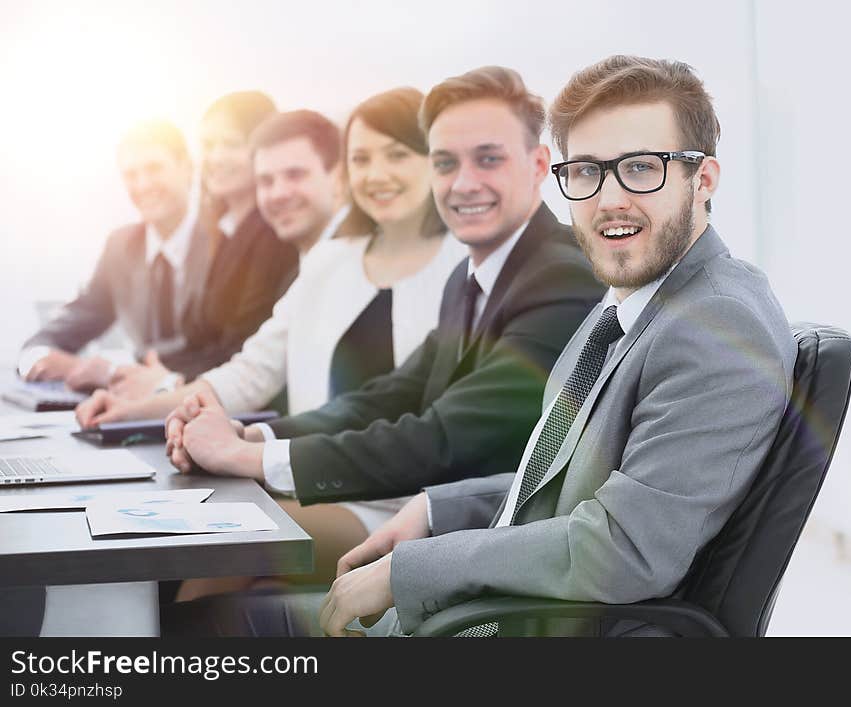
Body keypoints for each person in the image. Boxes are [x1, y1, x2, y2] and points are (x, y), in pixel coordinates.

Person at [167, 56, 797, 638]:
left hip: (529, 626)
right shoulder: (634, 301)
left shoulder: (717, 324)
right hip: (501, 596)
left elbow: (625, 550)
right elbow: (554, 481)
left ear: (703, 177)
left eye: (640, 167)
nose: (609, 198)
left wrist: (410, 569)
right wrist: (439, 507)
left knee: (216, 625)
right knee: (216, 605)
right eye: (586, 171)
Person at [158, 66, 604, 613]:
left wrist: (254, 460)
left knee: (214, 566)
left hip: (474, 546)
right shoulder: (476, 276)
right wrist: (255, 439)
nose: (462, 182)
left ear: (539, 166)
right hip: (420, 516)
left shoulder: (560, 277)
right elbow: (390, 395)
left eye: (488, 159)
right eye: (446, 163)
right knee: (203, 568)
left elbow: (446, 437)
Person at [74, 109, 348, 423]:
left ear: (338, 178)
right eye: (267, 181)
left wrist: (163, 387)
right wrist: (132, 411)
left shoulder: (347, 259)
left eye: (295, 175)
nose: (278, 193)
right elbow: (252, 373)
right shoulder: (310, 264)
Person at [109, 91, 300, 399]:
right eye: (209, 146)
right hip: (205, 389)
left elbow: (240, 346)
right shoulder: (225, 231)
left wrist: (171, 379)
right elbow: (202, 340)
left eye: (231, 144)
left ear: (264, 150)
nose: (216, 157)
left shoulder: (274, 236)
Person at [18, 120, 213, 390]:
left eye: (154, 169)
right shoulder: (121, 247)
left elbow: (217, 352)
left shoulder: (222, 242)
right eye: (131, 175)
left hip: (205, 397)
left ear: (187, 168)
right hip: (135, 404)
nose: (143, 185)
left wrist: (113, 371)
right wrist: (38, 356)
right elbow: (75, 319)